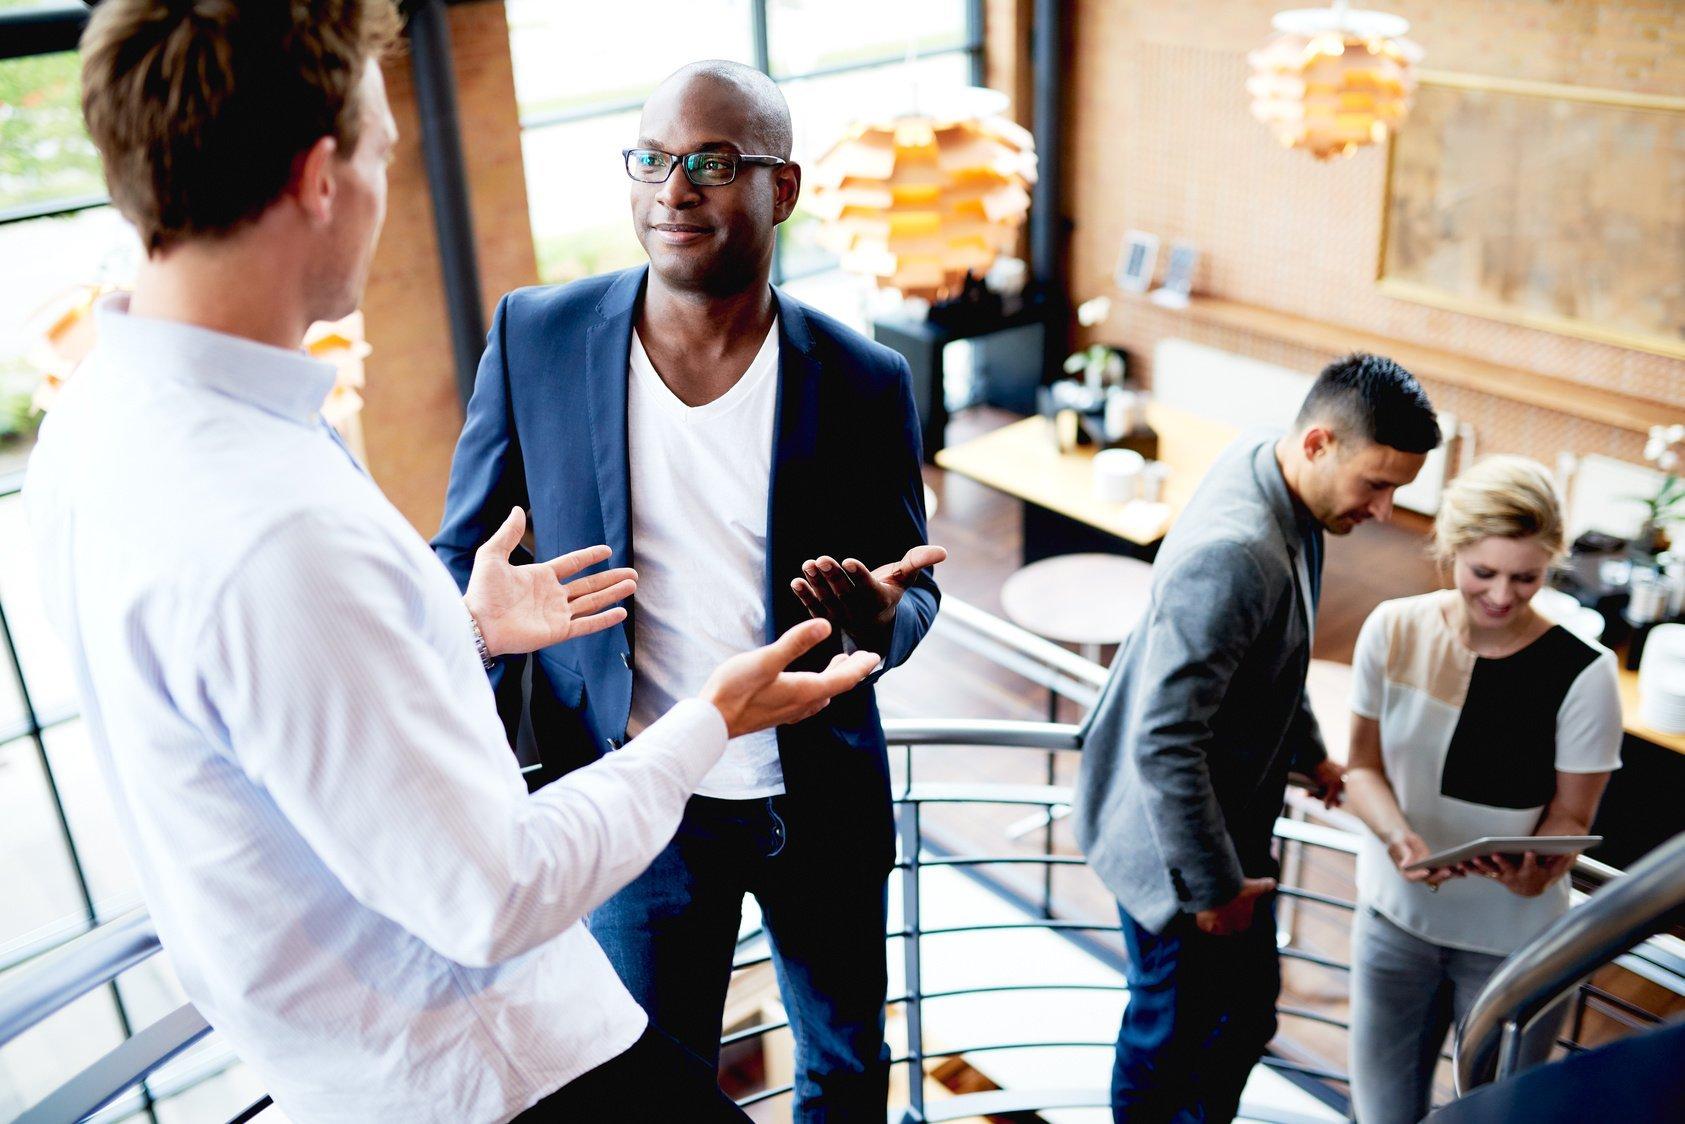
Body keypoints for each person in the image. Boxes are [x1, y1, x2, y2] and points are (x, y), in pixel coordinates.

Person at [27, 5, 880, 1121]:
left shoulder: (93, 422)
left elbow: (299, 710)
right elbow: (491, 891)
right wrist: (708, 718)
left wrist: (464, 631)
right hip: (500, 1065)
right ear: (319, 176)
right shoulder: (277, 526)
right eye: (383, 150)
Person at [433, 60, 942, 1120]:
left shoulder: (861, 378)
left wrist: (884, 624)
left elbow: (910, 587)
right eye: (653, 159)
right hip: (636, 805)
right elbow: (459, 565)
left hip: (818, 801)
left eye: (712, 162)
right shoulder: (538, 335)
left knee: (846, 1065)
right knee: (654, 1087)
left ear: (781, 188)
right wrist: (479, 627)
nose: (674, 188)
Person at [1073, 353, 1442, 1123]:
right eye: (1375, 484)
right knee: (1166, 1039)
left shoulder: (1265, 459)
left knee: (1241, 1019)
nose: (1382, 510)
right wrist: (1211, 892)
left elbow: (1271, 659)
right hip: (1180, 853)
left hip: (1226, 831)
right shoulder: (1236, 553)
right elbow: (1165, 740)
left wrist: (1309, 755)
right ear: (1316, 444)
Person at [1342, 455, 1622, 1124]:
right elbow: (1358, 767)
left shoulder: (1584, 673)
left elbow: (1570, 814)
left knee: (1496, 1117)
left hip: (1514, 939)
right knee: (1381, 1115)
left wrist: (1535, 871)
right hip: (1393, 918)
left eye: (1525, 577)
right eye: (1483, 572)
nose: (1501, 595)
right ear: (1450, 548)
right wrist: (1395, 836)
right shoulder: (1392, 627)